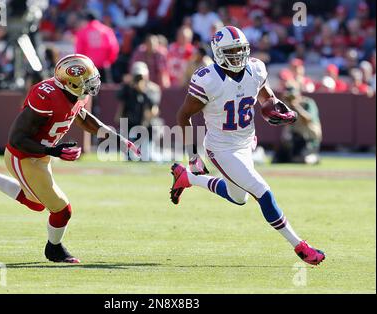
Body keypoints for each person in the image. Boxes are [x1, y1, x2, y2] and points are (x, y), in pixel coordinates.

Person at [0, 54, 141, 263]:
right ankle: (54, 249)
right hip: (23, 155)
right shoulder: (47, 96)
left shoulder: (73, 94)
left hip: (40, 155)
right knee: (61, 209)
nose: (92, 85)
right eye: (87, 82)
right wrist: (53, 151)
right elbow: (17, 139)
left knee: (37, 203)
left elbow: (82, 117)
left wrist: (116, 138)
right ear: (71, 84)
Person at [170, 26, 325, 265]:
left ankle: (187, 179)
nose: (238, 57)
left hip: (245, 142)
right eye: (231, 52)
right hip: (221, 147)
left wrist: (281, 110)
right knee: (262, 191)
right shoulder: (207, 79)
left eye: (241, 51)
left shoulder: (255, 68)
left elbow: (267, 99)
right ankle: (300, 246)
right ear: (218, 53)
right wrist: (193, 156)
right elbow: (182, 116)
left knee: (238, 197)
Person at [116, 61, 161, 160]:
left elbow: (153, 109)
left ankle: (148, 149)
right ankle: (129, 151)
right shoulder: (128, 88)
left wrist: (143, 92)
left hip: (147, 124)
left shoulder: (152, 89)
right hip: (131, 123)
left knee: (154, 125)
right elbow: (120, 100)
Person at [273, 85, 322, 165]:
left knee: (302, 160)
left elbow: (308, 120)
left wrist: (296, 106)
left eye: (292, 96)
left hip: (309, 140)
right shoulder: (287, 106)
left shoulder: (307, 103)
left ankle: (314, 157)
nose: (291, 98)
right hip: (295, 140)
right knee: (277, 159)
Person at [74, 10, 119, 83]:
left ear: (86, 20)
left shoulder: (82, 32)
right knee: (105, 91)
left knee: (89, 91)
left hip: (88, 67)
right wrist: (109, 61)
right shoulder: (106, 30)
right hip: (104, 67)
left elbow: (79, 51)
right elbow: (113, 47)